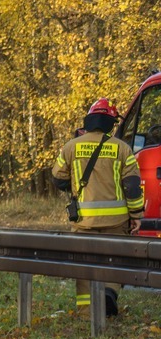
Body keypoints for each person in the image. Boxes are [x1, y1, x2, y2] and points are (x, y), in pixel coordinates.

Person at [51, 98, 143, 318]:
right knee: (116, 259)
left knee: (84, 264)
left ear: (89, 120)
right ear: (111, 123)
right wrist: (136, 215)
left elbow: (57, 178)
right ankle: (109, 293)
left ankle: (86, 312)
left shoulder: (71, 147)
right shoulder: (122, 148)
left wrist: (75, 185)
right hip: (116, 221)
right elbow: (132, 186)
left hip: (83, 220)